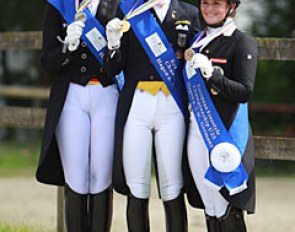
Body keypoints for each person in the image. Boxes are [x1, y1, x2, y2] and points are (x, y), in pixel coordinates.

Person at [103, 0, 200, 231]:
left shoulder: (189, 12)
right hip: (136, 106)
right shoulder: (128, 9)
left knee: (173, 186)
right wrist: (113, 44)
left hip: (172, 108)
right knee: (137, 186)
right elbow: (113, 68)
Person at [36, 0, 120, 231]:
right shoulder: (58, 5)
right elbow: (48, 62)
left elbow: (123, 63)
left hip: (107, 95)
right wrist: (67, 48)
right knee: (75, 175)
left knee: (101, 176)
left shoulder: (117, 5)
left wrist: (114, 49)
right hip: (72, 95)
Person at [182, 0, 257, 231]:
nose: (210, 9)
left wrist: (213, 75)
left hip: (224, 133)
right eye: (205, 3)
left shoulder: (242, 42)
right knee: (210, 206)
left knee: (227, 204)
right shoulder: (196, 41)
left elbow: (244, 91)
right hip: (196, 130)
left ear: (231, 7)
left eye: (217, 3)